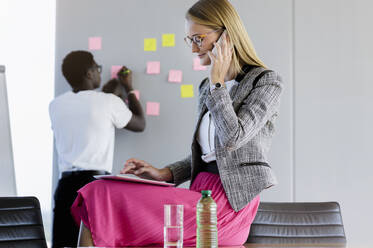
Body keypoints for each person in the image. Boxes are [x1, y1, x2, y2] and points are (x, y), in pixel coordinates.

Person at [72, 0, 283, 246]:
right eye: (189, 40)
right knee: (100, 195)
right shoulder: (207, 88)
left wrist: (218, 82)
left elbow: (233, 139)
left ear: (226, 35)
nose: (194, 49)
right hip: (200, 193)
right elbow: (208, 155)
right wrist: (164, 173)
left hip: (228, 205)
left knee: (102, 196)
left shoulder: (265, 82)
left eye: (198, 39)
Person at [49, 50, 145, 248]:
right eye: (97, 68)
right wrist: (129, 89)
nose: (100, 73)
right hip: (95, 186)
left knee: (64, 243)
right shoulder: (109, 102)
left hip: (65, 187)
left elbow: (86, 111)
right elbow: (139, 123)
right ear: (89, 73)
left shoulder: (55, 105)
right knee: (95, 241)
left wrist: (106, 95)